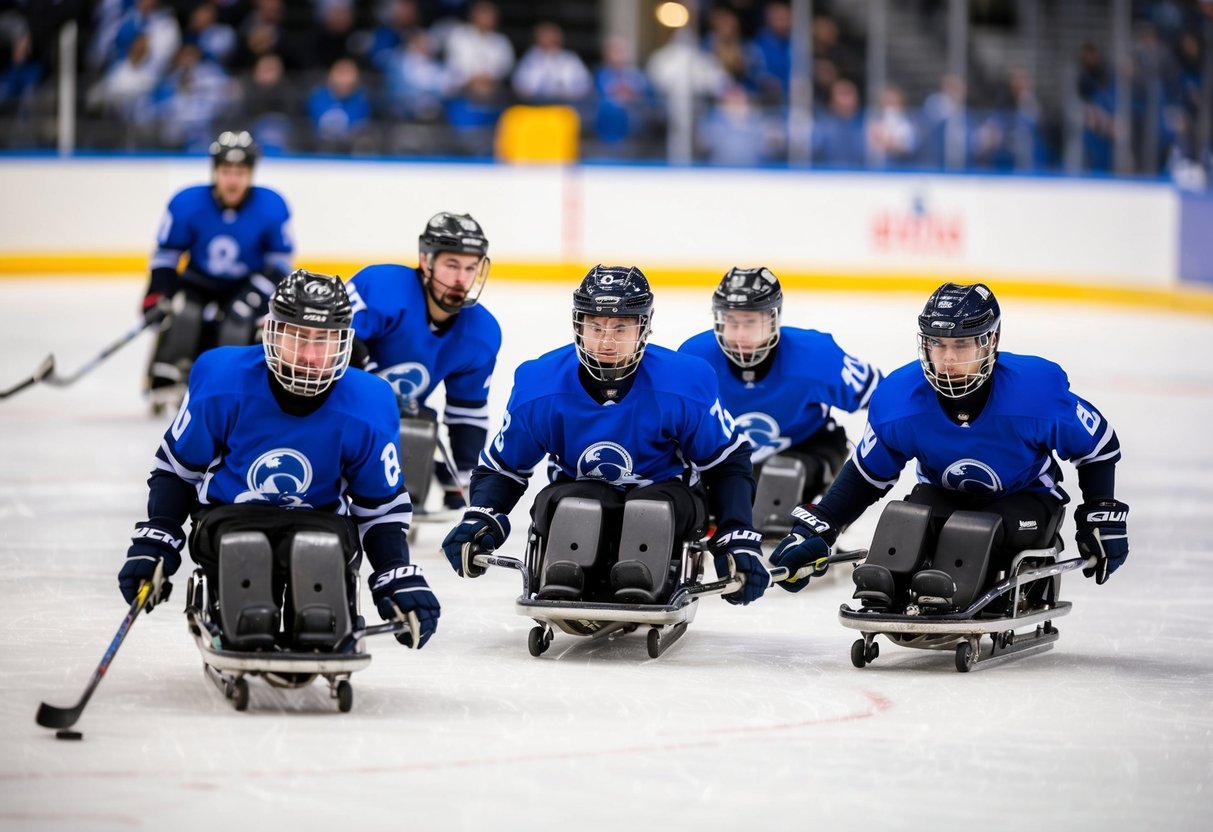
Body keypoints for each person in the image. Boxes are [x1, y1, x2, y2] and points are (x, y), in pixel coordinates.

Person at [117, 270, 440, 650]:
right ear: (271, 332)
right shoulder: (222, 378)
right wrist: (159, 535)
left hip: (321, 525)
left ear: (345, 343)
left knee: (319, 568)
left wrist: (394, 572)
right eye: (296, 336)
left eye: (323, 340)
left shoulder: (370, 402)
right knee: (246, 554)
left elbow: (379, 507)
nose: (308, 355)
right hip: (229, 520)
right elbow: (176, 470)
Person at [769, 282, 1128, 606]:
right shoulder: (900, 398)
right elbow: (867, 474)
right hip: (944, 495)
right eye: (938, 344)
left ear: (991, 341)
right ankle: (894, 581)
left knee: (972, 531)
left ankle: (952, 585)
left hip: (1025, 499)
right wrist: (820, 526)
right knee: (904, 519)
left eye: (962, 345)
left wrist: (1101, 512)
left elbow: (1099, 447)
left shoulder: (1035, 394)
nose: (949, 360)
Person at [440, 265, 770, 606]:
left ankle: (643, 574)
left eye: (620, 327)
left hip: (668, 498)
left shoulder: (685, 382)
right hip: (578, 498)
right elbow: (504, 467)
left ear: (643, 327)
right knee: (575, 505)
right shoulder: (540, 385)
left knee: (648, 510)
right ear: (578, 325)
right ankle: (567, 572)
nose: (606, 341)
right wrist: (483, 514)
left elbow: (726, 462)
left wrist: (735, 533)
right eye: (595, 326)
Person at [678, 266, 880, 512]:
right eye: (731, 322)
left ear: (773, 319)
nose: (739, 335)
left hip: (805, 448)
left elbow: (882, 397)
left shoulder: (816, 357)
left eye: (750, 322)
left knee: (780, 477)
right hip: (728, 460)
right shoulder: (695, 358)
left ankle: (810, 518)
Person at [346, 212, 500, 514]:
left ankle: (433, 469)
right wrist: (375, 386)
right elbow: (335, 340)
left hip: (403, 423)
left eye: (470, 268)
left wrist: (468, 477)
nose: (461, 279)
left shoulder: (481, 332)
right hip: (341, 410)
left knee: (419, 425)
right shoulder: (381, 285)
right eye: (451, 265)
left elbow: (466, 410)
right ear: (426, 261)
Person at [143, 130, 293, 413]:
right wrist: (157, 292)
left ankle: (229, 383)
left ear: (250, 174)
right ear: (216, 172)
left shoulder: (272, 206)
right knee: (185, 311)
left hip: (247, 283)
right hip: (198, 281)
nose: (232, 180)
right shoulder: (187, 203)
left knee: (239, 319)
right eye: (226, 171)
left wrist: (252, 295)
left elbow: (281, 265)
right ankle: (166, 375)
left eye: (240, 172)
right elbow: (167, 254)